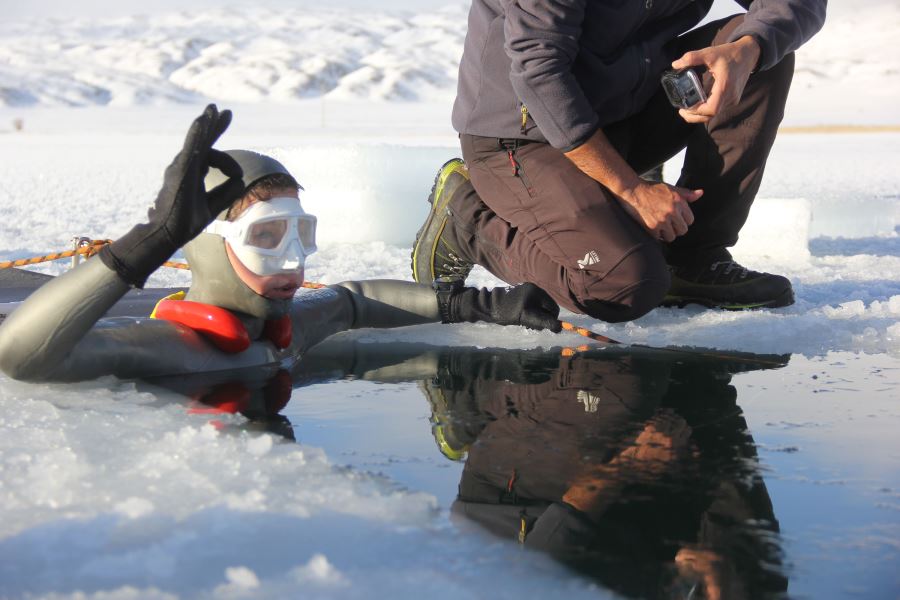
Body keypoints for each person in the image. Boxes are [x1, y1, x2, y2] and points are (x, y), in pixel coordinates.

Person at [0, 105, 561, 383]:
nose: (293, 259)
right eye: (265, 237)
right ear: (208, 244)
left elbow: (351, 301)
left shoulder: (281, 330)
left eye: (302, 234)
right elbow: (20, 356)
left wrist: (486, 305)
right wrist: (148, 244)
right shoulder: (162, 347)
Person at [412, 0, 827, 321]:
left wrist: (749, 48)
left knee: (759, 53)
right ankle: (467, 219)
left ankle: (695, 257)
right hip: (520, 138)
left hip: (623, 111)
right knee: (622, 284)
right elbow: (539, 72)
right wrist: (631, 190)